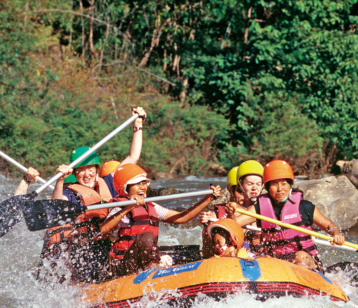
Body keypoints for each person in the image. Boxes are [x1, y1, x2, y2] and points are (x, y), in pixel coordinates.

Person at [17, 107, 147, 283]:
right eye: (81, 171)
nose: (86, 174)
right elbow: (56, 204)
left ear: (96, 170)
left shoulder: (108, 182)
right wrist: (60, 180)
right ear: (75, 174)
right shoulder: (71, 192)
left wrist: (137, 125)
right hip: (83, 250)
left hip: (108, 243)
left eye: (90, 170)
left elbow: (132, 157)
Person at [101, 163, 221, 277]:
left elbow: (183, 218)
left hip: (144, 262)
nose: (142, 187)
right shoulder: (120, 207)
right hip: (123, 265)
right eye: (137, 184)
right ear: (125, 188)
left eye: (144, 183)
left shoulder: (151, 206)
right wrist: (128, 208)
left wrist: (208, 199)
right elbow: (104, 228)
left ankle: (154, 267)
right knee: (147, 237)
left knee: (187, 253)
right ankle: (154, 266)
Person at [228, 159, 344, 272]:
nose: (280, 189)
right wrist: (231, 215)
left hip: (305, 262)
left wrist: (336, 234)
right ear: (268, 187)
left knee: (300, 256)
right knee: (264, 259)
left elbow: (329, 226)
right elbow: (234, 225)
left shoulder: (304, 206)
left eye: (284, 184)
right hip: (278, 263)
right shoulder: (260, 208)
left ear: (290, 185)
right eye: (274, 184)